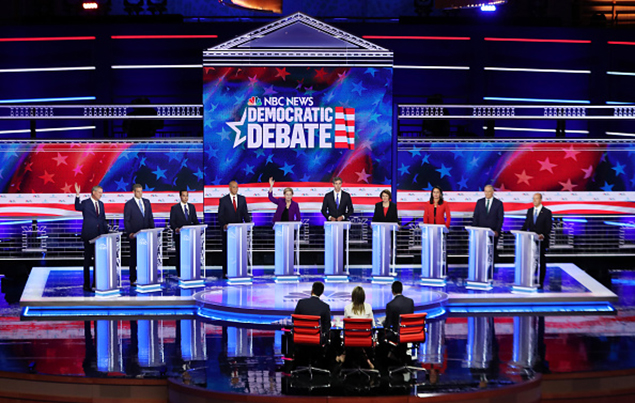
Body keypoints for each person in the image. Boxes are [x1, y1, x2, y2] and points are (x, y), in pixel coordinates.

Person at [74, 184, 108, 292]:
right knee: (87, 261)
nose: (101, 195)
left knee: (98, 261)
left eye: (102, 193)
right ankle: (86, 284)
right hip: (89, 236)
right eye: (99, 192)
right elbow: (77, 207)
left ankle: (96, 283)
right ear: (93, 192)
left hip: (99, 237)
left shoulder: (101, 204)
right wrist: (77, 195)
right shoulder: (86, 203)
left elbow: (102, 219)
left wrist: (106, 233)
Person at [123, 183, 155, 286]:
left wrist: (153, 231)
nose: (140, 193)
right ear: (133, 192)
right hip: (135, 236)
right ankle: (133, 278)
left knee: (146, 257)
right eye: (138, 191)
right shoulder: (129, 204)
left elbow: (150, 218)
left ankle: (146, 277)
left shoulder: (147, 202)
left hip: (146, 236)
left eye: (141, 191)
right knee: (134, 258)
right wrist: (130, 233)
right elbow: (126, 220)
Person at [218, 181, 250, 279]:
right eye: (233, 187)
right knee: (227, 251)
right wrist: (224, 225)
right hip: (228, 231)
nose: (235, 189)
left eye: (236, 187)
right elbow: (220, 215)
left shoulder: (242, 199)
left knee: (240, 250)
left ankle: (240, 270)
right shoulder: (223, 200)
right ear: (229, 188)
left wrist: (248, 224)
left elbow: (245, 213)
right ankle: (226, 272)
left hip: (240, 231)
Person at [521, 193, 553, 289]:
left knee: (541, 260)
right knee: (531, 260)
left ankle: (541, 281)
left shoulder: (547, 212)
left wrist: (542, 235)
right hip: (531, 240)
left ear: (540, 200)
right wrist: (520, 232)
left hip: (541, 241)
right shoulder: (530, 211)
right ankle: (531, 278)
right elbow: (526, 224)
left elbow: (548, 227)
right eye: (533, 199)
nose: (534, 201)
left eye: (536, 199)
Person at [340, 286, 375, 368]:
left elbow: (345, 327)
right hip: (366, 339)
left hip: (351, 340)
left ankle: (343, 356)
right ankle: (368, 360)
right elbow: (372, 325)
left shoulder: (347, 308)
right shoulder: (368, 307)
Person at [169, 190, 200, 278]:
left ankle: (190, 271)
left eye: (187, 196)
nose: (186, 197)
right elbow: (172, 222)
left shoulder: (192, 207)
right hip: (179, 236)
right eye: (184, 196)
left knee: (189, 254)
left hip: (190, 235)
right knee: (179, 254)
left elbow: (195, 220)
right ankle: (179, 273)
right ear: (180, 197)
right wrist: (176, 229)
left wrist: (199, 227)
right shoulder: (174, 208)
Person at [472, 184, 504, 258]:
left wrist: (497, 231)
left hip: (493, 232)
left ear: (492, 192)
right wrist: (474, 230)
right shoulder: (479, 202)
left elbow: (500, 218)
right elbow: (476, 217)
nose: (487, 193)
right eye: (485, 191)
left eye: (489, 191)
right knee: (481, 251)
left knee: (492, 252)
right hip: (481, 231)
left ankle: (491, 267)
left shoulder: (498, 203)